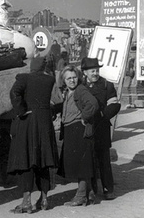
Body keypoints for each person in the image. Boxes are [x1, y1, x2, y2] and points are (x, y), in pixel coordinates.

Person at [7, 55, 60, 213]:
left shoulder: (24, 79)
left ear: (31, 66)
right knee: (43, 162)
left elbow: (13, 93)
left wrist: (21, 110)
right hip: (44, 124)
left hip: (28, 123)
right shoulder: (49, 80)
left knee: (27, 162)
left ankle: (26, 202)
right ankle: (44, 199)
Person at [56, 65, 99, 206]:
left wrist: (84, 117)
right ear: (64, 80)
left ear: (78, 77)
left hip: (78, 129)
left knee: (81, 165)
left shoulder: (80, 90)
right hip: (71, 130)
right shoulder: (68, 91)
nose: (72, 80)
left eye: (74, 77)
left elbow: (93, 103)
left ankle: (81, 196)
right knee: (81, 163)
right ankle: (90, 194)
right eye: (68, 78)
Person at [81, 57, 121, 200]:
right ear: (84, 72)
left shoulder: (106, 85)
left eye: (97, 70)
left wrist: (104, 114)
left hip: (102, 126)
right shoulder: (80, 85)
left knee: (104, 159)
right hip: (86, 127)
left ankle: (108, 189)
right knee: (88, 159)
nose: (96, 73)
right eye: (93, 70)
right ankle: (91, 190)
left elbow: (115, 105)